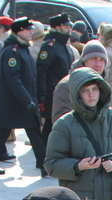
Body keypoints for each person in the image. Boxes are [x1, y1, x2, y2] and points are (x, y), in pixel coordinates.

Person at [44, 68, 112, 200]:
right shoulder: (64, 124)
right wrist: (78, 166)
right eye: (85, 90)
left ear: (101, 90)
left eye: (94, 89)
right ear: (77, 94)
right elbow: (51, 164)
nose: (91, 94)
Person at [0, 17, 46, 176]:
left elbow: (30, 76)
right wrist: (27, 100)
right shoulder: (11, 51)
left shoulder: (23, 48)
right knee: (2, 133)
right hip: (12, 102)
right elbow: (13, 79)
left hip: (26, 100)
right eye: (28, 30)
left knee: (34, 132)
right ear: (19, 32)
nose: (31, 32)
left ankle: (44, 164)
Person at [36, 13, 75, 144]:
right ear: (57, 27)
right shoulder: (50, 46)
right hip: (52, 92)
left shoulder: (65, 45)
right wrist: (42, 94)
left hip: (66, 90)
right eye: (66, 26)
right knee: (50, 122)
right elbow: (41, 71)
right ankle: (43, 150)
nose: (69, 29)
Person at [50, 39, 108, 123]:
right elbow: (60, 122)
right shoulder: (66, 85)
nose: (98, 64)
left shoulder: (103, 85)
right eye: (93, 58)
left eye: (102, 60)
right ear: (84, 61)